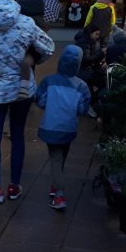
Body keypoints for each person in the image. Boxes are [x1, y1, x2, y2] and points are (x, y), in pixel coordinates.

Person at [0, 0, 54, 210]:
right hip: (22, 89)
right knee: (17, 135)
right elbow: (48, 47)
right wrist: (33, 59)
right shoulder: (26, 23)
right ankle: (15, 186)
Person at [35, 45, 91, 210]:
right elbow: (83, 109)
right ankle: (55, 184)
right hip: (69, 127)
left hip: (50, 126)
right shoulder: (81, 86)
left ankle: (59, 194)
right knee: (62, 155)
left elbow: (40, 101)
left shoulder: (48, 81)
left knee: (55, 157)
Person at [16, 0, 48, 99]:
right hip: (33, 53)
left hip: (21, 52)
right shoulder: (40, 21)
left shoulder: (22, 20)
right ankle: (29, 90)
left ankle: (22, 88)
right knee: (30, 68)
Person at [75, 23, 105, 117]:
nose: (97, 37)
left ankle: (88, 105)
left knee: (93, 90)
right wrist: (101, 53)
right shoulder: (84, 42)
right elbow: (86, 60)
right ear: (90, 33)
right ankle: (89, 106)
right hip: (84, 72)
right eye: (96, 34)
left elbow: (91, 57)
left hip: (87, 71)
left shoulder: (89, 41)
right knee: (104, 83)